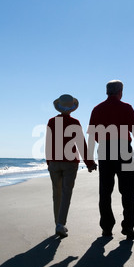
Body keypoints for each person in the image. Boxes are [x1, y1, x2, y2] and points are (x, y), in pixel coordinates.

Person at [88, 80, 134, 240]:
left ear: (107, 91)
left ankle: (107, 228)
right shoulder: (126, 108)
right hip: (123, 148)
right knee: (128, 190)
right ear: (120, 91)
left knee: (105, 191)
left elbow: (92, 135)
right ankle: (128, 227)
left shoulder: (97, 109)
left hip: (104, 149)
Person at [46, 94, 97, 238]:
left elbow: (48, 143)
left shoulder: (51, 122)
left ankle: (58, 223)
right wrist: (89, 163)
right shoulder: (74, 122)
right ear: (72, 108)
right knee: (66, 193)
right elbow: (81, 143)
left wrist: (49, 162)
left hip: (54, 162)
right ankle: (60, 224)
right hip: (70, 163)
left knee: (56, 194)